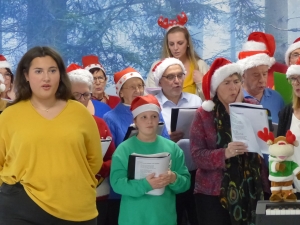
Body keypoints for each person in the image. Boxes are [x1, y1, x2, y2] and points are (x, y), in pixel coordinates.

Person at [0, 46, 103, 225]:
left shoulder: (80, 112)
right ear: (26, 75)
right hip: (20, 206)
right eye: (38, 71)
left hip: (76, 207)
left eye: (52, 70)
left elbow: (94, 160)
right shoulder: (10, 115)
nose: (46, 77)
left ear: (60, 75)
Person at [190, 57, 269, 225]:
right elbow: (197, 155)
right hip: (213, 192)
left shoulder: (252, 107)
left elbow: (265, 145)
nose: (233, 87)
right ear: (215, 87)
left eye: (236, 81)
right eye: (226, 83)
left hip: (251, 186)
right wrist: (224, 153)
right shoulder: (204, 114)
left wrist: (240, 109)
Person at [103, 67, 170, 225]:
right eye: (132, 87)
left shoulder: (154, 112)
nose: (138, 90)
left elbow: (167, 141)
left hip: (154, 176)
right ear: (120, 92)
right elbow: (112, 153)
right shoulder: (110, 117)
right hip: (127, 181)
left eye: (140, 86)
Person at [110, 94, 190, 225]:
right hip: (133, 218)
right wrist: (146, 185)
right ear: (135, 121)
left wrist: (173, 178)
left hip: (164, 218)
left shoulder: (172, 148)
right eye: (144, 117)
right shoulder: (124, 150)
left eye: (154, 116)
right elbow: (117, 184)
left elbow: (185, 183)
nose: (149, 121)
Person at [152, 57, 202, 225]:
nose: (177, 81)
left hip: (195, 170)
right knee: (173, 218)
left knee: (197, 218)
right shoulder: (154, 104)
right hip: (167, 173)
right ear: (160, 81)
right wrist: (166, 138)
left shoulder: (195, 101)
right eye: (171, 77)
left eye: (180, 76)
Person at [66, 63, 116, 225]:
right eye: (76, 96)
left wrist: (99, 170)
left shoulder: (100, 124)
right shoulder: (56, 125)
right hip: (66, 196)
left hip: (97, 193)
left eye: (86, 95)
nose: (82, 100)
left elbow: (112, 157)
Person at [145, 12, 209, 99]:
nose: (175, 48)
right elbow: (149, 99)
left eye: (180, 43)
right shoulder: (157, 67)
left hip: (194, 112)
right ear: (167, 45)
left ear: (188, 43)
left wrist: (201, 83)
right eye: (171, 44)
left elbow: (211, 102)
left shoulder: (200, 65)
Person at [238, 32, 285, 123]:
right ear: (243, 74)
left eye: (265, 74)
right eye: (256, 75)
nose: (262, 80)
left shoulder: (277, 98)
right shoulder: (236, 98)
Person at [277, 57, 300, 196]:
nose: (297, 83)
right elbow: (280, 152)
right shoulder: (287, 112)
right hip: (293, 190)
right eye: (293, 78)